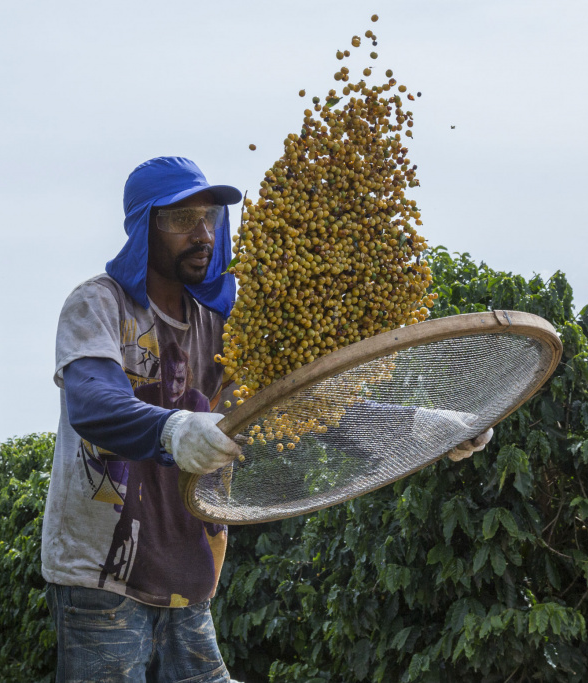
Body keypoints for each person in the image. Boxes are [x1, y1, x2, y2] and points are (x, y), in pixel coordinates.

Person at [40, 157, 492, 683]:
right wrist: (174, 429)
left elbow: (300, 411)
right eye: (180, 220)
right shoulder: (100, 304)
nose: (202, 233)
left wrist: (421, 426)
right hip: (102, 575)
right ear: (144, 227)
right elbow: (93, 401)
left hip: (188, 571)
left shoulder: (227, 324)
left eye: (208, 217)